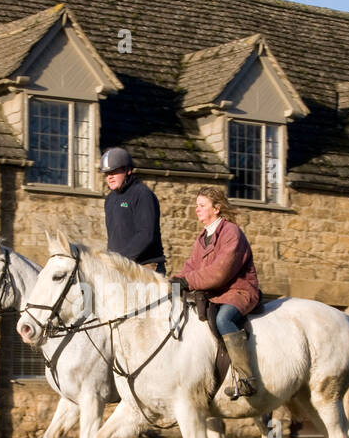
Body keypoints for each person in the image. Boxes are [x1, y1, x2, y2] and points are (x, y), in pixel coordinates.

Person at [172, 190, 261, 399]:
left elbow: (221, 271)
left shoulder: (231, 232)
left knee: (223, 319)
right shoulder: (202, 238)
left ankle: (246, 379)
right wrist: (174, 281)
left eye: (202, 205)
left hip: (238, 290)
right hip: (215, 294)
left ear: (216, 208)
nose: (197, 209)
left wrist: (188, 281)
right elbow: (190, 267)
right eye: (197, 205)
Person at [101, 147, 166, 276]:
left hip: (146, 266)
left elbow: (146, 235)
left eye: (114, 172)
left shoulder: (143, 195)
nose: (110, 177)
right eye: (107, 174)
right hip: (120, 267)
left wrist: (120, 260)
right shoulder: (110, 199)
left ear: (128, 170)